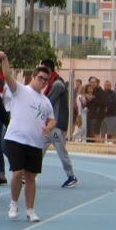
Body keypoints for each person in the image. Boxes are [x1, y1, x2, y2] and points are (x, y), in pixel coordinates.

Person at [0, 54, 55, 223]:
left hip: (35, 142)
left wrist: (49, 127)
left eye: (46, 80)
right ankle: (14, 203)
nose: (43, 82)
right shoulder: (20, 90)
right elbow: (7, 76)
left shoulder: (45, 102)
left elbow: (52, 119)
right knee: (17, 172)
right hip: (16, 138)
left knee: (31, 177)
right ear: (34, 77)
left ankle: (30, 209)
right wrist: (5, 59)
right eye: (41, 78)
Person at [37, 60, 78, 188]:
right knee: (39, 149)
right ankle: (29, 175)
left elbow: (48, 103)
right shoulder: (52, 84)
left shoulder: (57, 84)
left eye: (42, 68)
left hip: (56, 126)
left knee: (61, 151)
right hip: (50, 125)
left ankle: (71, 176)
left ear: (48, 69)